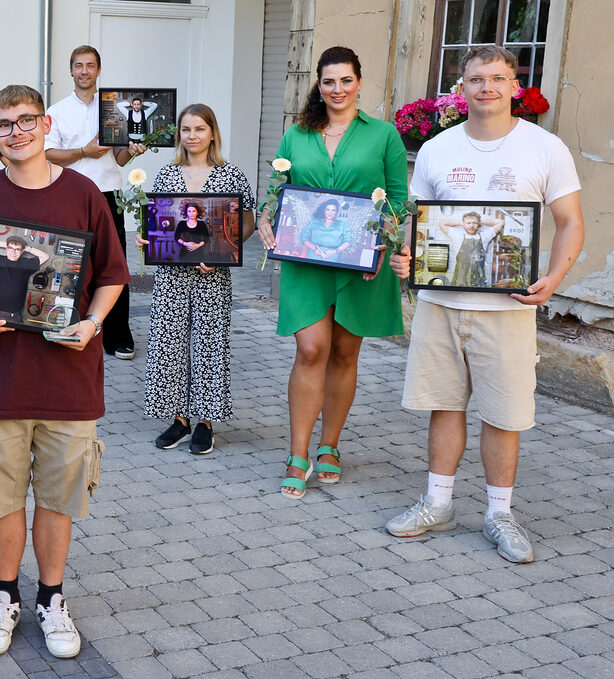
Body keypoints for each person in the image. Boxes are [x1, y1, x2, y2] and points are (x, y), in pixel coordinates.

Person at [0, 84, 128, 660]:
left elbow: (112, 274)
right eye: (4, 125)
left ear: (46, 126)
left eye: (26, 121)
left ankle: (51, 598)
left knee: (59, 498)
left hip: (69, 378)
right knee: (1, 497)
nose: (16, 132)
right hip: (0, 379)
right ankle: (4, 595)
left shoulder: (84, 193)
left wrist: (93, 322)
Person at [384, 45, 584, 564]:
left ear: (515, 86)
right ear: (462, 87)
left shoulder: (544, 148)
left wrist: (554, 277)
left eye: (497, 78)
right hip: (441, 303)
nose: (487, 87)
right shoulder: (436, 150)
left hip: (509, 306)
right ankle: (437, 503)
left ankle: (499, 514)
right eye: (476, 79)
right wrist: (406, 257)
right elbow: (417, 221)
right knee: (444, 403)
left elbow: (570, 222)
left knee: (504, 413)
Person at [262, 46, 406, 500]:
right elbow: (277, 191)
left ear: (359, 83)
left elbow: (399, 200)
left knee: (344, 353)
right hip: (306, 259)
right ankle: (297, 452)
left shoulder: (384, 135)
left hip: (360, 260)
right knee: (310, 349)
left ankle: (330, 446)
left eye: (346, 80)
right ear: (318, 85)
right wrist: (267, 216)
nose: (337, 89)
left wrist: (385, 239)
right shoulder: (296, 135)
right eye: (329, 82)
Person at [138, 103, 258, 455]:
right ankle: (178, 419)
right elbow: (160, 224)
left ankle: (205, 421)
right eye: (186, 130)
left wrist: (223, 254)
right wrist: (147, 239)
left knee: (208, 346)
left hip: (213, 276)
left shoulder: (230, 174)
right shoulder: (167, 173)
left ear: (212, 133)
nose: (192, 136)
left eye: (199, 129)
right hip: (172, 275)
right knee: (169, 343)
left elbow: (246, 222)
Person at [46, 45, 144, 360]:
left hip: (109, 193)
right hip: (69, 194)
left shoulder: (116, 109)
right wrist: (83, 152)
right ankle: (66, 325)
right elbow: (48, 154)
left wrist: (133, 150)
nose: (84, 71)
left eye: (90, 65)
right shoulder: (56, 111)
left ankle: (117, 338)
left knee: (114, 267)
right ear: (71, 70)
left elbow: (119, 156)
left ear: (98, 70)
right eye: (79, 65)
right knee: (66, 264)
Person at [0, 236, 48, 321]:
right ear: (6, 248)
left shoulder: (26, 264)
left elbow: (45, 256)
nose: (13, 252)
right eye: (10, 248)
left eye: (17, 249)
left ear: (22, 251)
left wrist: (25, 247)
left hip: (12, 314)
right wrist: (8, 245)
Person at [438, 211, 499, 287]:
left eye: (474, 223)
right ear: (463, 224)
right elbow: (441, 223)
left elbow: (501, 223)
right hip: (459, 283)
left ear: (478, 224)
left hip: (479, 284)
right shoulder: (458, 236)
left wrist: (480, 222)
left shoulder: (484, 237)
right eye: (468, 223)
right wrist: (461, 223)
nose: (471, 226)